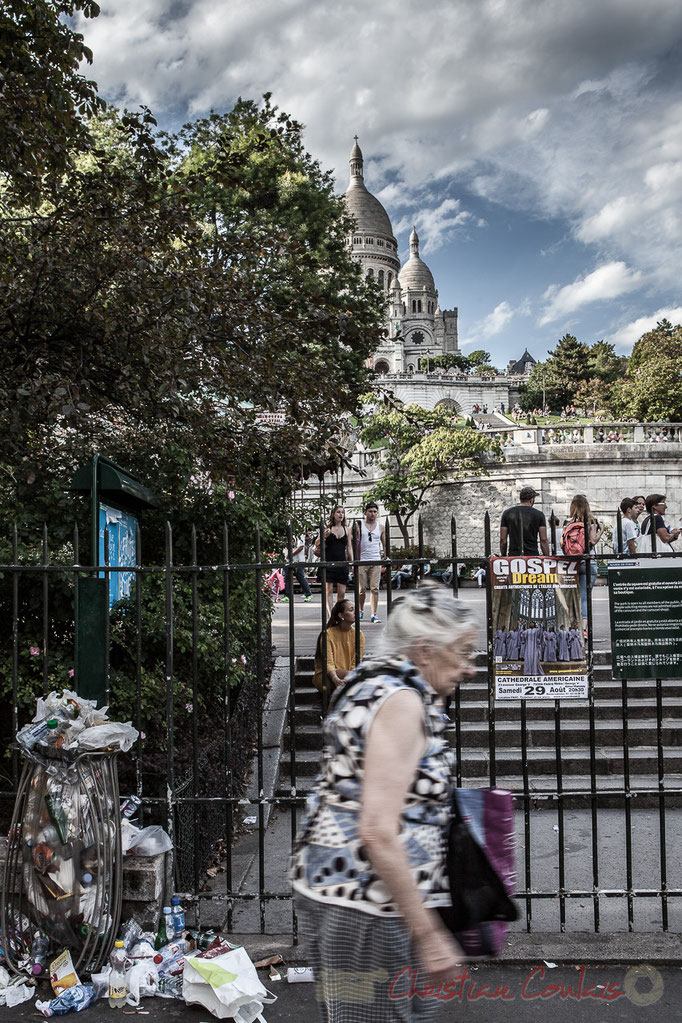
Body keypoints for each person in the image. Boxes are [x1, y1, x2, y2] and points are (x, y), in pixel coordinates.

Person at [292, 586, 477, 1022]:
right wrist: (429, 934)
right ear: (426, 650)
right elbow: (377, 829)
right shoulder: (401, 702)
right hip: (367, 907)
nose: (469, 668)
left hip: (358, 899)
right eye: (464, 652)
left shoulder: (377, 681)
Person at [564, 495, 603, 636]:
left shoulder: (567, 522)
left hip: (572, 563)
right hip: (588, 561)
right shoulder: (592, 521)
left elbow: (563, 544)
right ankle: (584, 629)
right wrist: (602, 530)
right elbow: (592, 541)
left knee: (572, 596)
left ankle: (572, 626)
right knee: (585, 597)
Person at [313, 599, 365, 700]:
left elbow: (356, 661)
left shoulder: (359, 634)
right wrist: (336, 678)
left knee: (351, 678)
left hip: (347, 675)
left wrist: (348, 676)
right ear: (341, 615)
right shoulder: (328, 634)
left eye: (356, 609)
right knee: (354, 680)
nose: (356, 612)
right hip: (327, 676)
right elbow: (328, 662)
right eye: (351, 610)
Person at [315, 506, 353, 614]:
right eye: (338, 512)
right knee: (329, 591)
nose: (341, 514)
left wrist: (352, 562)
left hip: (342, 562)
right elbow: (316, 543)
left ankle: (337, 613)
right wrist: (323, 536)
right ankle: (331, 615)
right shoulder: (327, 528)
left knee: (341, 592)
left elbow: (349, 547)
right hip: (328, 562)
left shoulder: (347, 529)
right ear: (333, 514)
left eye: (342, 512)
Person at [500, 486, 549, 556]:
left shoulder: (507, 513)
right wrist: (547, 557)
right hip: (532, 555)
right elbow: (543, 539)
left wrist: (503, 556)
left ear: (520, 499)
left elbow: (503, 540)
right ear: (531, 500)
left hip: (514, 555)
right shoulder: (539, 515)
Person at [357, 501, 385, 623]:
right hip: (362, 560)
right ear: (365, 512)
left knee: (375, 588)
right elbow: (353, 541)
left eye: (375, 512)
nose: (373, 514)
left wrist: (386, 557)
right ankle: (360, 610)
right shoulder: (359, 525)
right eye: (370, 511)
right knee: (361, 589)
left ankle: (374, 614)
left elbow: (385, 544)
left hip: (376, 559)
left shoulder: (381, 527)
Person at [281, 533, 313, 603]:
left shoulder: (299, 534)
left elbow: (300, 547)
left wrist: (290, 555)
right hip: (288, 560)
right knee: (287, 578)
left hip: (298, 560)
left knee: (300, 577)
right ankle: (287, 596)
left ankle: (308, 594)